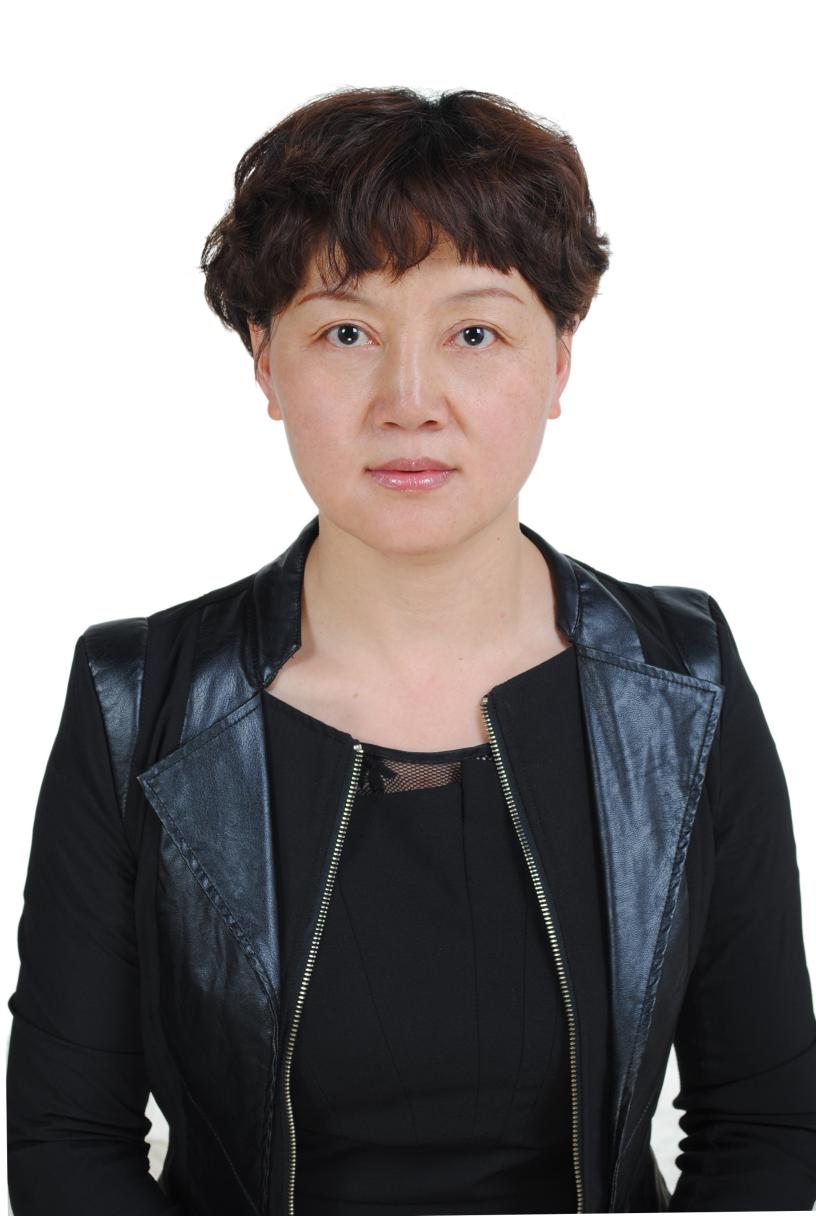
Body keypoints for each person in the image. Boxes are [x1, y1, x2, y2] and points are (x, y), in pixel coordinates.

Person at [6, 85, 816, 1216]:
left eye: (475, 333)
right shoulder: (138, 699)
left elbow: (767, 1127)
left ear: (561, 359)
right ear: (265, 361)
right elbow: (68, 1140)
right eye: (346, 333)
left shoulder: (683, 680)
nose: (410, 401)